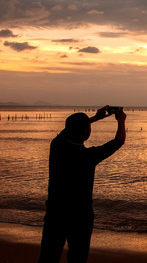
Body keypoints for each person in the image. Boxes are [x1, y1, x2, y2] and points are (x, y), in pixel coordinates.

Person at [38, 106, 126, 263]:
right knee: (77, 257)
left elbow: (69, 130)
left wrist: (93, 119)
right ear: (86, 131)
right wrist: (121, 121)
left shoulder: (56, 146)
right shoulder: (87, 156)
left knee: (48, 257)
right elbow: (119, 141)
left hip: (55, 213)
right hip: (80, 216)